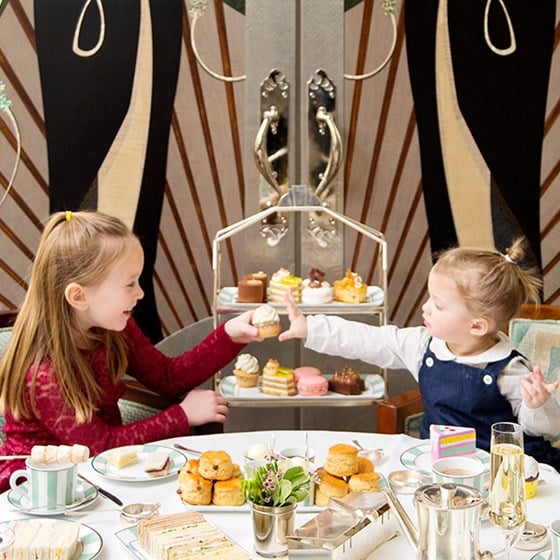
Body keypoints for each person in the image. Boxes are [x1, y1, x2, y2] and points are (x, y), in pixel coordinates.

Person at [0, 210, 260, 492]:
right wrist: (181, 416)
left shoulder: (114, 327)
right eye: (129, 284)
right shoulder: (42, 374)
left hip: (101, 475)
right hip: (38, 489)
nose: (140, 293)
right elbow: (100, 445)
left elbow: (167, 376)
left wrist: (229, 335)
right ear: (79, 296)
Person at [280, 238, 560, 469]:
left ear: (476, 325)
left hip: (503, 473)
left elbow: (540, 428)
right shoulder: (424, 346)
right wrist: (311, 328)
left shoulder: (508, 368)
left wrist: (537, 406)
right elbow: (369, 340)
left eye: (437, 304)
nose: (425, 308)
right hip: (441, 466)